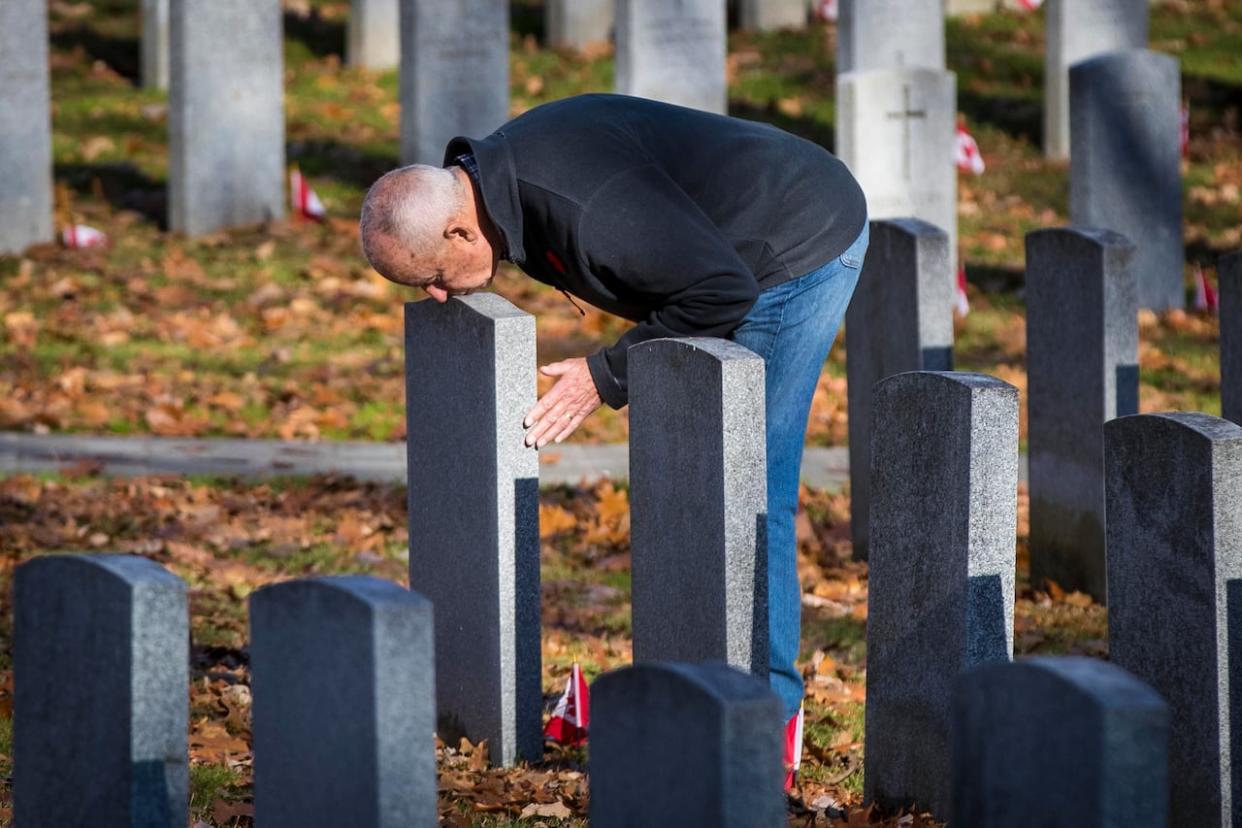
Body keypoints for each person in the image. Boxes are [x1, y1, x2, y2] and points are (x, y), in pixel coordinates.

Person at [360, 93, 868, 790]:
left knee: (752, 483)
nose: (440, 298)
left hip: (793, 244)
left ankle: (769, 716)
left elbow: (722, 290)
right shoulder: (496, 186)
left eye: (432, 281)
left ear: (457, 234)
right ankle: (693, 684)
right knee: (696, 476)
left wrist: (605, 374)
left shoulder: (587, 206)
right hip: (714, 252)